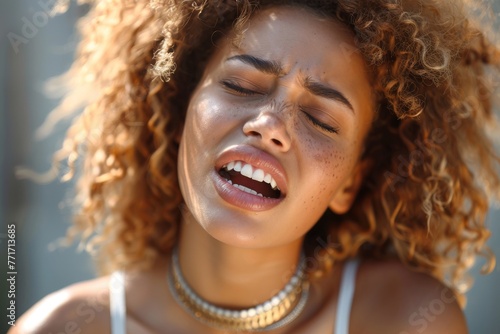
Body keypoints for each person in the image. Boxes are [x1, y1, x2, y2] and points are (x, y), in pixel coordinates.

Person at [9, 0, 500, 333]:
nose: (270, 125)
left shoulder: (405, 318)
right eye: (241, 86)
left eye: (320, 119)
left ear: (350, 181)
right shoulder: (59, 326)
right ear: (179, 111)